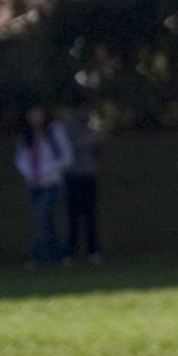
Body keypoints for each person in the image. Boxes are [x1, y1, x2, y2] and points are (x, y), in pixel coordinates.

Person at [11, 108, 65, 269]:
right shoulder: (25, 137)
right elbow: (20, 159)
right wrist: (30, 173)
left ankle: (37, 256)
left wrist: (46, 171)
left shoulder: (54, 133)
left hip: (51, 183)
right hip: (34, 185)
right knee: (46, 221)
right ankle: (56, 256)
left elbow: (65, 157)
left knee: (40, 217)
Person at [57, 98, 104, 260]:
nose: (87, 114)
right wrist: (85, 142)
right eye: (84, 110)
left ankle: (93, 251)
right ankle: (70, 252)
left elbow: (97, 152)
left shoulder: (92, 129)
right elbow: (66, 148)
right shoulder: (66, 129)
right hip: (72, 176)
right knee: (73, 216)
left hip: (89, 176)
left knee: (90, 215)